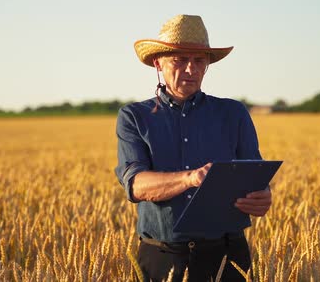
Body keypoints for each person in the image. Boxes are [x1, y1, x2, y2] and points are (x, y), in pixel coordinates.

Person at [115, 14, 272, 281]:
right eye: (180, 60)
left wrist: (262, 196)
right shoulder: (134, 116)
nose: (191, 69)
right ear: (158, 63)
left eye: (199, 60)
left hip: (227, 255)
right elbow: (136, 185)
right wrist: (189, 178)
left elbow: (253, 175)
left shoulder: (233, 113)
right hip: (162, 257)